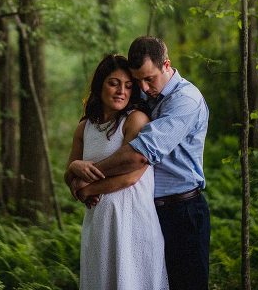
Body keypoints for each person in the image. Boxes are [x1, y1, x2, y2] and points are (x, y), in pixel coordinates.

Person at [70, 37, 210, 290]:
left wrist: (88, 179)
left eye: (149, 79)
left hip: (183, 210)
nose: (143, 88)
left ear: (166, 65)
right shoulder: (146, 98)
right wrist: (73, 169)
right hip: (149, 210)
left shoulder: (185, 100)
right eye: (138, 81)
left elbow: (139, 156)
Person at [64, 54, 168, 290]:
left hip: (132, 222)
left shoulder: (136, 121)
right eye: (114, 83)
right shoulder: (84, 127)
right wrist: (73, 168)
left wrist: (86, 188)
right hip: (99, 224)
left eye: (128, 86)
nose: (122, 91)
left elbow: (132, 176)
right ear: (99, 84)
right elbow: (68, 176)